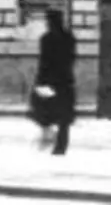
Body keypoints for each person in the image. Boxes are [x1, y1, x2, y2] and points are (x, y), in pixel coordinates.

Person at [32, 9, 78, 155]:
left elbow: (44, 62)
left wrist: (40, 80)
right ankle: (61, 145)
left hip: (51, 81)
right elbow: (71, 58)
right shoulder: (69, 38)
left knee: (46, 111)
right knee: (63, 116)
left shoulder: (46, 39)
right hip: (65, 80)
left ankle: (49, 138)